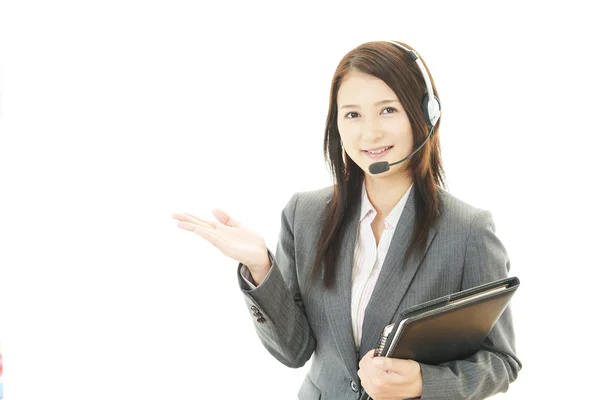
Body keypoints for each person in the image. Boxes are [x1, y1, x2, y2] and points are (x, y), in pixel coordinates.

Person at [172, 40, 521, 400]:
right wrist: (261, 267)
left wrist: (422, 382)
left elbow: (502, 361)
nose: (369, 133)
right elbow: (294, 351)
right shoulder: (304, 215)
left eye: (387, 110)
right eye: (352, 114)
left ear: (426, 114)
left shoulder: (467, 231)